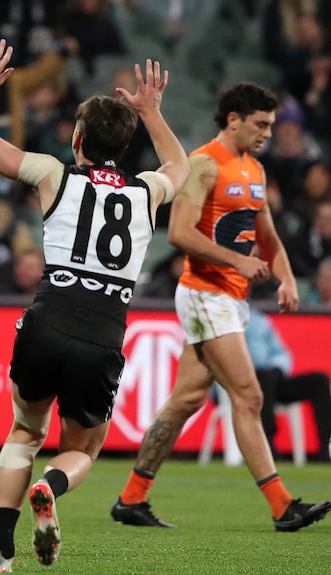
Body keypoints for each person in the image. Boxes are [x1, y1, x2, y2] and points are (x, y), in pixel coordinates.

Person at [0, 39, 189, 571]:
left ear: (77, 138)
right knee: (84, 450)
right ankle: (51, 485)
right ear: (127, 145)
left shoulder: (54, 174)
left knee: (25, 431)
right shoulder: (147, 191)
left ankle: (0, 553)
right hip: (102, 335)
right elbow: (182, 163)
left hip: (47, 321)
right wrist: (151, 113)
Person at [111, 82, 331, 533]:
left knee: (185, 400)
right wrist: (238, 261)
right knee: (248, 396)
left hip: (228, 298)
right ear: (234, 119)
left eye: (271, 124)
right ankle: (282, 505)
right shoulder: (204, 163)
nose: (268, 132)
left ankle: (131, 498)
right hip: (204, 293)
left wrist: (287, 277)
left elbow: (266, 234)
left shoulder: (253, 170)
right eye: (261, 124)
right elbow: (179, 233)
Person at [246, 305, 331, 462]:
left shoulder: (259, 320)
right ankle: (267, 443)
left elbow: (280, 352)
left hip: (272, 381)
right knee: (264, 376)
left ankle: (326, 446)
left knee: (319, 380)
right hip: (241, 384)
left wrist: (277, 368)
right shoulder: (223, 320)